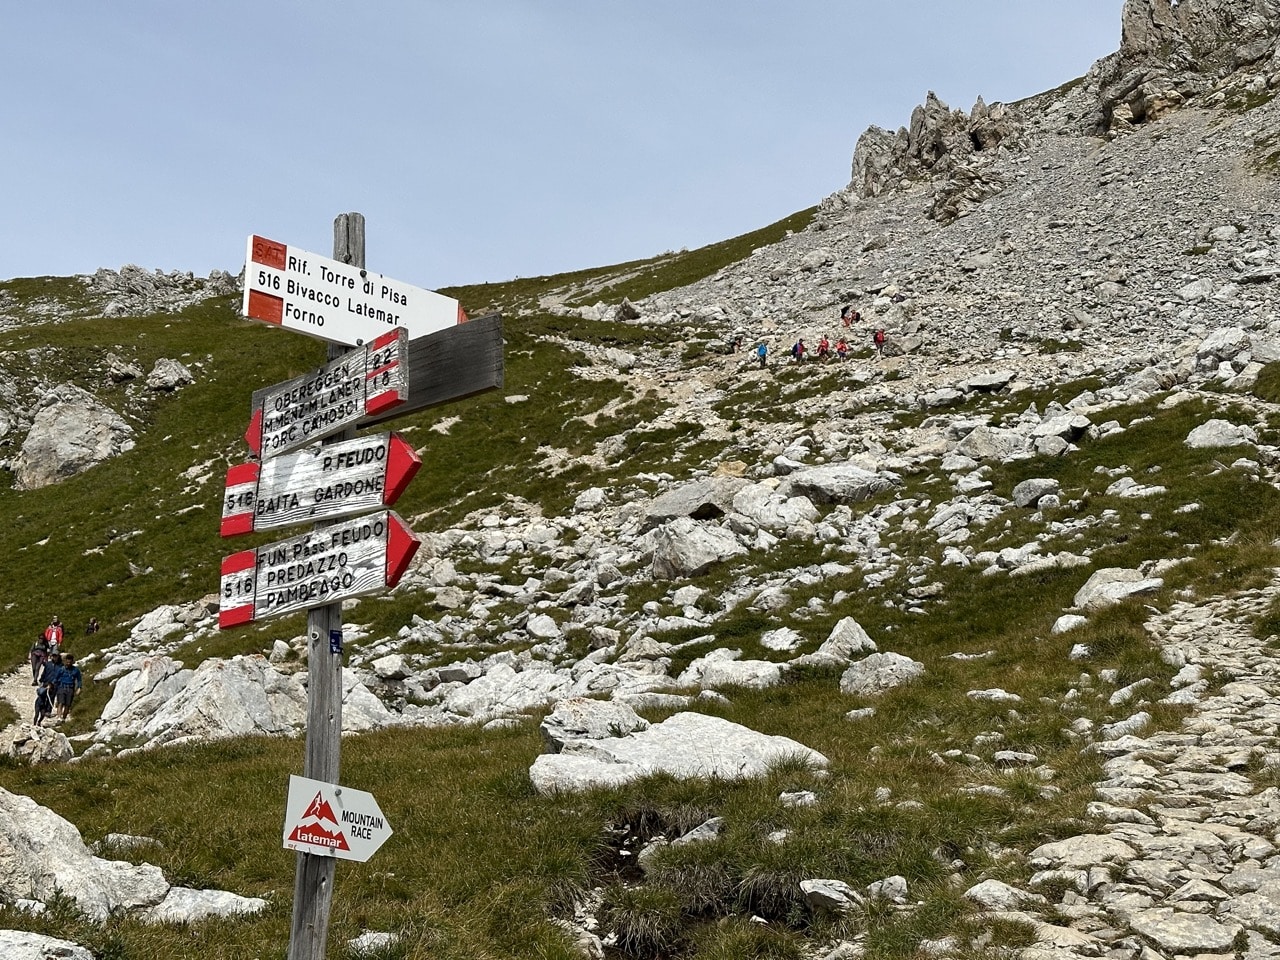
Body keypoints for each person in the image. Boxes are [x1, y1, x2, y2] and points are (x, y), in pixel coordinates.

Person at [55, 655, 83, 721]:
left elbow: (79, 679)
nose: (68, 664)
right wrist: (52, 685)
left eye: (70, 662)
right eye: (67, 662)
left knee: (68, 705)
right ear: (65, 661)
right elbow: (56, 678)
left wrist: (79, 687)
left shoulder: (76, 670)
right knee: (60, 702)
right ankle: (59, 717)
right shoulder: (61, 669)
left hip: (70, 688)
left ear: (72, 662)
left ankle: (64, 719)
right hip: (62, 687)